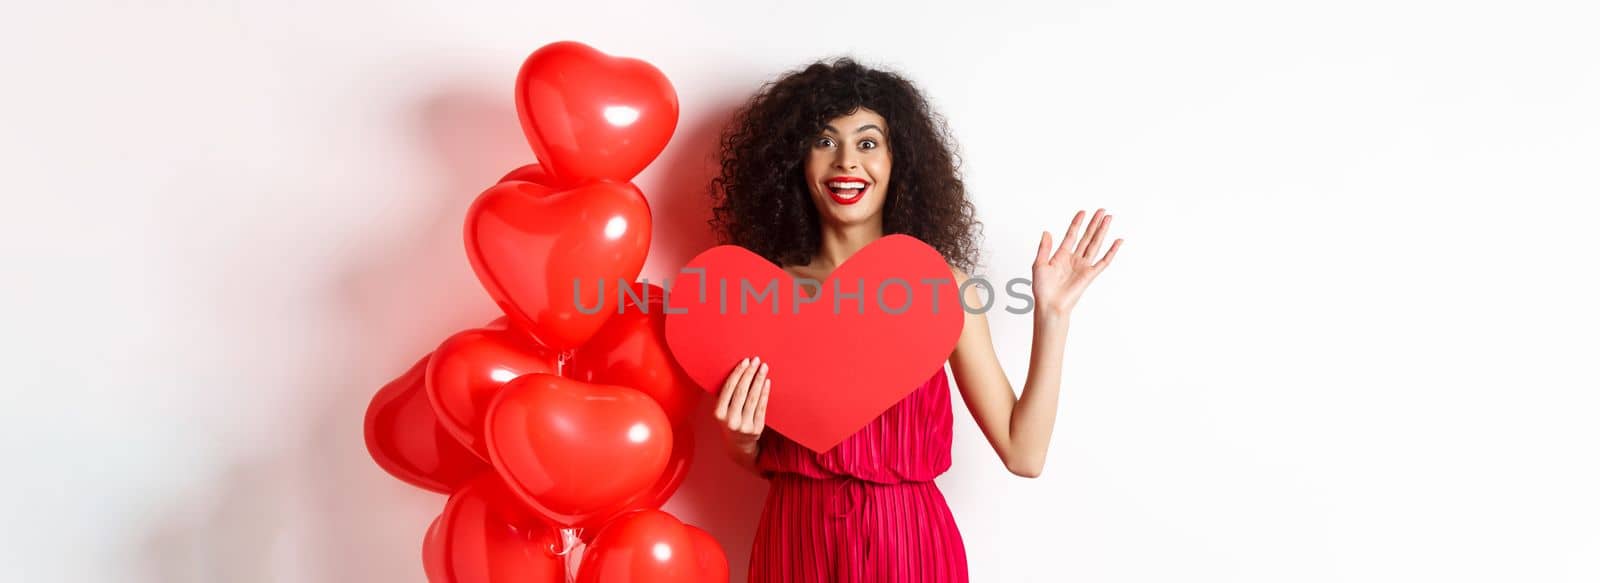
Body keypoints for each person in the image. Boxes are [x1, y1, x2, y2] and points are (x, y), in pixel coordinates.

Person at [706, 57, 1122, 583]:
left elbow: (1025, 452)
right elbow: (760, 453)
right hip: (795, 540)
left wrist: (1053, 315)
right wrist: (738, 438)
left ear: (899, 160)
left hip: (908, 545)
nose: (846, 163)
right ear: (795, 160)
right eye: (825, 141)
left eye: (867, 142)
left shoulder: (945, 290)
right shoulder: (759, 292)